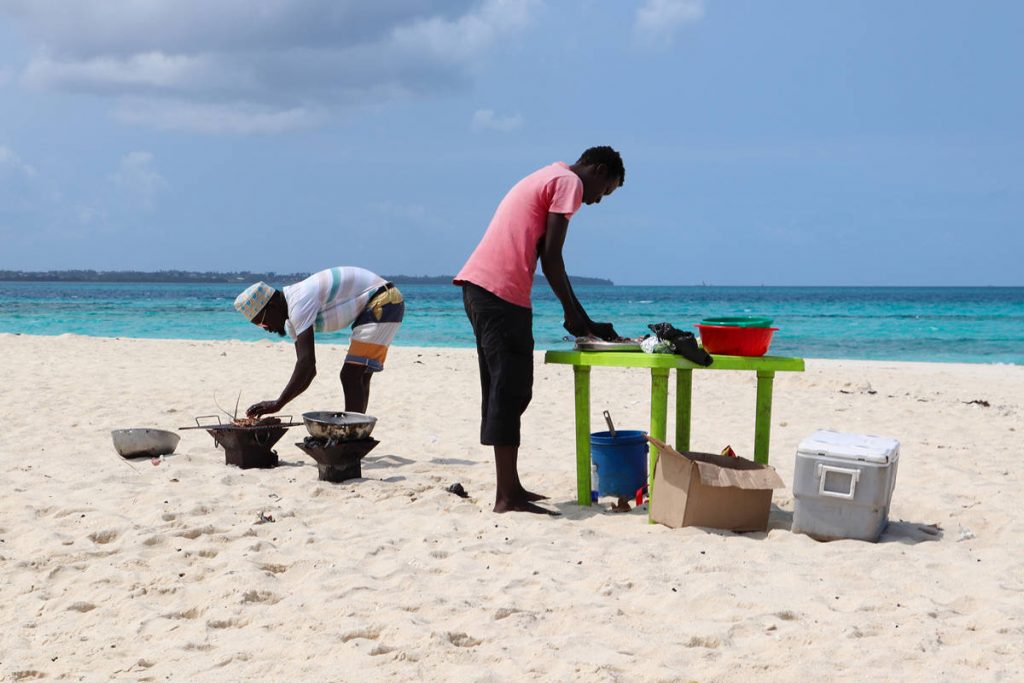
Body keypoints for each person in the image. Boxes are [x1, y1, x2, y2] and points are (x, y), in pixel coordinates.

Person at [454, 146, 626, 514]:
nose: (596, 201)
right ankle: (506, 497)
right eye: (605, 191)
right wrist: (575, 314)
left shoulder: (551, 173)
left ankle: (511, 486)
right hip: (499, 294)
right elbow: (551, 257)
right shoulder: (569, 183)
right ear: (596, 170)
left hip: (484, 291)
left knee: (511, 390)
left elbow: (548, 257)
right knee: (509, 390)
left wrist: (583, 319)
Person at [233, 267, 404, 417]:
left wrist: (278, 403)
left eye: (262, 322)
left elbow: (307, 363)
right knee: (358, 376)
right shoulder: (292, 320)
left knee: (351, 375)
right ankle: (356, 433)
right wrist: (279, 404)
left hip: (383, 300)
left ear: (271, 306)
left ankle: (352, 436)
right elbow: (309, 372)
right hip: (380, 302)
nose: (266, 329)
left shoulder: (298, 303)